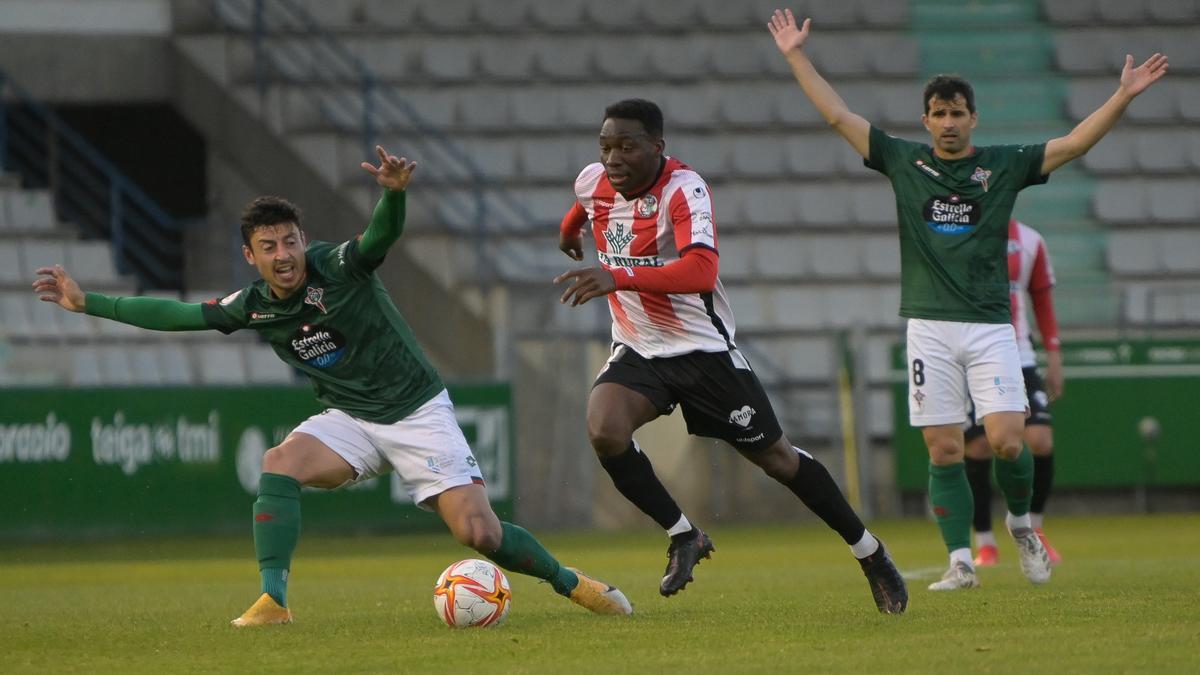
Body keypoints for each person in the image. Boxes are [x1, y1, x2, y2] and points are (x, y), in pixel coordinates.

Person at [33, 145, 632, 625]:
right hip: (349, 417)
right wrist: (90, 304)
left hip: (416, 410)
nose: (284, 254)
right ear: (251, 255)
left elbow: (378, 240)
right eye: (269, 247)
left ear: (302, 240)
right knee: (279, 463)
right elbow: (181, 315)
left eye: (290, 241)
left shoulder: (337, 267)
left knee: (478, 532)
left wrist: (392, 197)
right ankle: (274, 601)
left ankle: (571, 584)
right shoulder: (255, 304)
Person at [768, 8, 1166, 590]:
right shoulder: (905, 161)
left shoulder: (1002, 166)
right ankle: (960, 561)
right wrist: (794, 54)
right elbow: (836, 114)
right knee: (945, 448)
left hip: (989, 327)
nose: (948, 122)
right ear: (925, 120)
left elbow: (1076, 143)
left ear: (973, 118)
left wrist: (1122, 95)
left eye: (957, 113)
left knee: (1009, 440)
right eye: (938, 114)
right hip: (928, 326)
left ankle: (1024, 527)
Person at [553, 98, 907, 614]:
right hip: (639, 348)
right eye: (606, 146)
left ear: (657, 147)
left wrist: (616, 274)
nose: (613, 158)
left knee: (779, 461)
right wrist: (569, 233)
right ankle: (684, 535)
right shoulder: (592, 180)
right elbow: (583, 207)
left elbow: (699, 269)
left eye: (627, 146)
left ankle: (869, 552)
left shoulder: (684, 189)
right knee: (605, 429)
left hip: (704, 353)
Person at [966, 219, 1064, 567]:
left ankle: (1033, 528)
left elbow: (1042, 300)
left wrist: (1053, 356)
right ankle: (985, 542)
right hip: (972, 350)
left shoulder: (1030, 240)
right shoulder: (962, 227)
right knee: (976, 446)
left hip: (1018, 352)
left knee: (1040, 439)